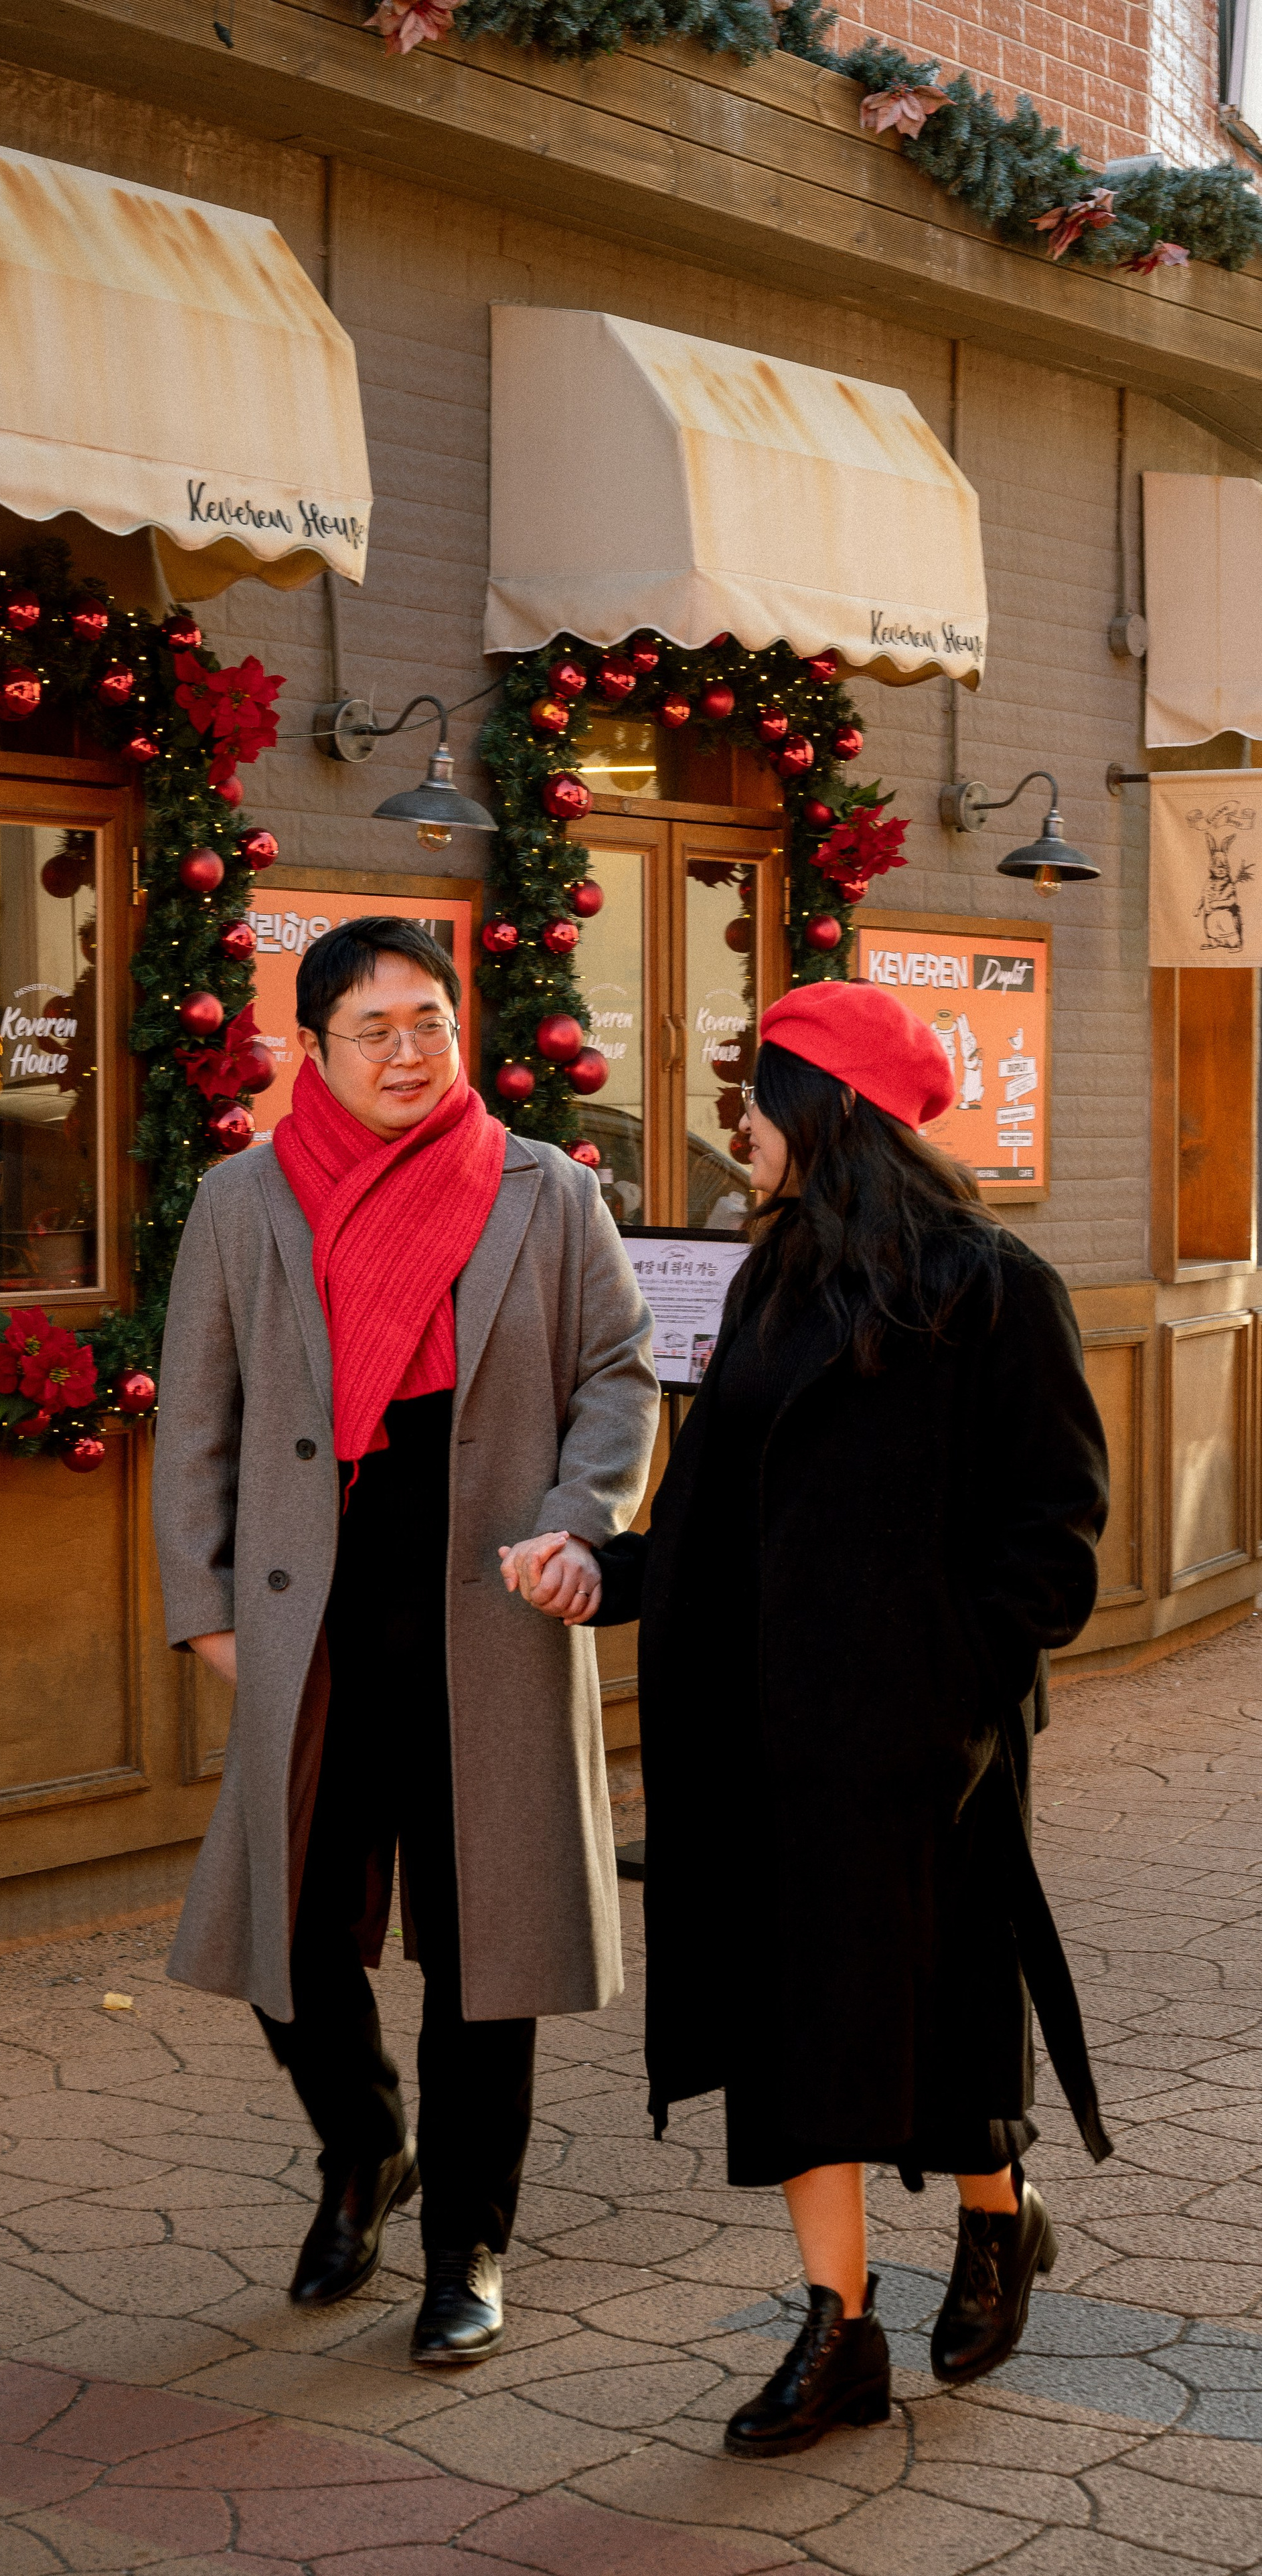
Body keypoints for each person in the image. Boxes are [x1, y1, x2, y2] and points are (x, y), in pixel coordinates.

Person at [504, 978, 1110, 2455]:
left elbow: (1056, 1536)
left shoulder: (992, 1286)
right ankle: (837, 2329)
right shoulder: (770, 1280)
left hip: (922, 1752)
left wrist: (946, 1695)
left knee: (939, 2015)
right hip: (754, 1746)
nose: (737, 1127)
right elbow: (720, 1513)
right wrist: (608, 1567)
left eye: (755, 1096)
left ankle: (994, 2213)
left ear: (824, 1109)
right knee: (790, 2036)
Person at [153, 917, 658, 2364]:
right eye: (373, 1027)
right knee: (292, 1935)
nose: (407, 1051)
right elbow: (196, 1421)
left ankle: (468, 2249)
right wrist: (202, 1609)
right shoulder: (245, 1203)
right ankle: (366, 2144)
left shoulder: (542, 1194)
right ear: (310, 1045)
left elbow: (617, 1377)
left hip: (487, 1618)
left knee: (482, 1950)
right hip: (304, 1626)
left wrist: (580, 1520)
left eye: (428, 1021)